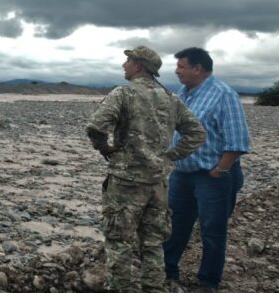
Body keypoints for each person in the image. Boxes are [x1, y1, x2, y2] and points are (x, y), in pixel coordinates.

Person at [86, 46, 206, 292]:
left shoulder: (124, 93)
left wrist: (104, 148)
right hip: (157, 183)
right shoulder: (171, 98)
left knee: (119, 241)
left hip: (126, 182)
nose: (124, 65)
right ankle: (153, 288)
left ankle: (119, 288)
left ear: (138, 65)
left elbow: (96, 126)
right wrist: (169, 157)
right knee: (153, 243)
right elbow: (197, 133)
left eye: (128, 61)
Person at [163, 47, 251, 293]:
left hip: (212, 176)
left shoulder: (223, 95)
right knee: (173, 226)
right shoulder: (183, 94)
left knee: (212, 231)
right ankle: (166, 271)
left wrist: (220, 171)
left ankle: (208, 282)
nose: (177, 71)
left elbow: (238, 141)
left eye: (181, 66)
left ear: (198, 68)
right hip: (182, 174)